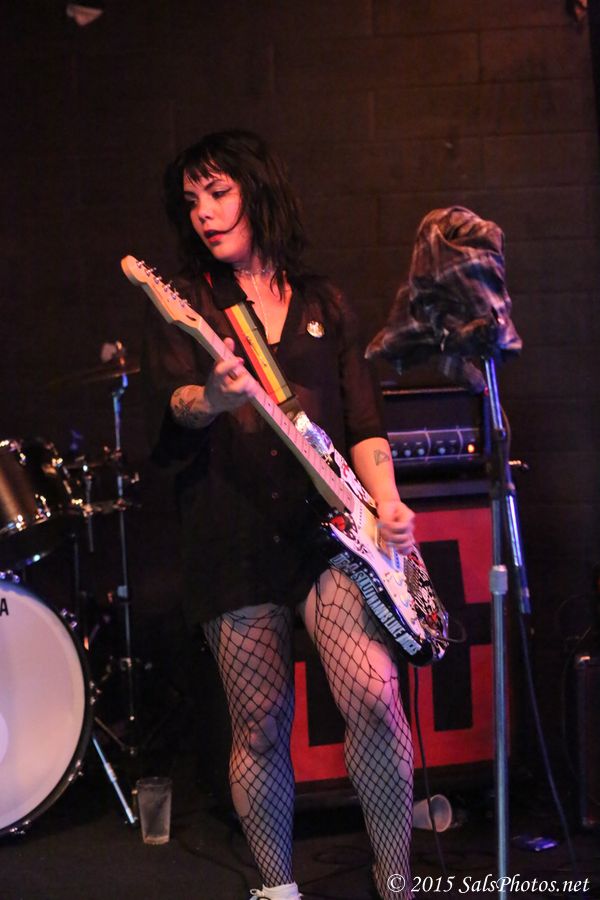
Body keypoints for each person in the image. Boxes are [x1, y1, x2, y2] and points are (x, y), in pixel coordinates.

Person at [142, 129, 415, 900]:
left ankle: (397, 879)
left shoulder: (324, 301)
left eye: (217, 192)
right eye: (191, 201)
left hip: (328, 536)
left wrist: (389, 505)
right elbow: (177, 407)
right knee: (259, 723)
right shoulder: (189, 303)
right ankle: (276, 889)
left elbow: (364, 425)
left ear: (257, 190)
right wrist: (213, 397)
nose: (202, 212)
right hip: (230, 532)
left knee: (375, 696)